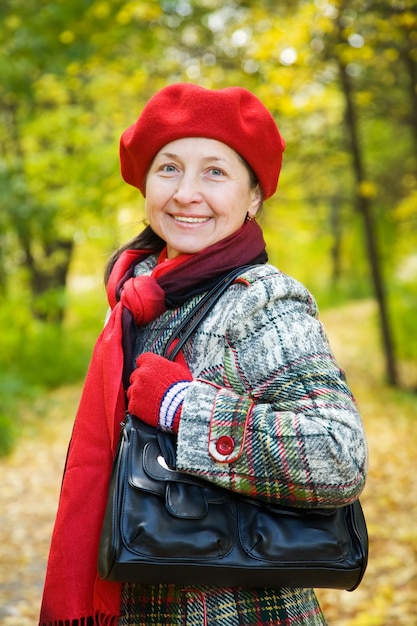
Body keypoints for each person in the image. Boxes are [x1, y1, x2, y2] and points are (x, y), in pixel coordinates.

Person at [39, 83, 367, 626]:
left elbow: (340, 456)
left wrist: (181, 407)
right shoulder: (133, 301)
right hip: (131, 593)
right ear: (145, 184)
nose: (187, 192)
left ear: (254, 196)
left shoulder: (263, 299)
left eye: (214, 172)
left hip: (235, 608)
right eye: (169, 168)